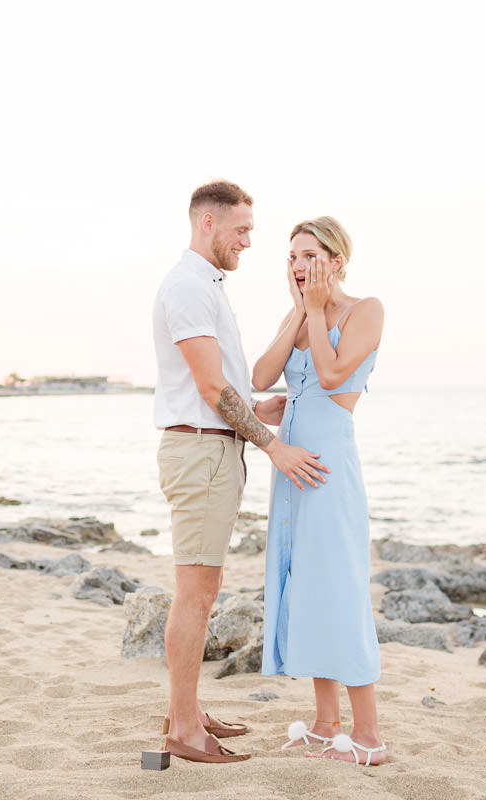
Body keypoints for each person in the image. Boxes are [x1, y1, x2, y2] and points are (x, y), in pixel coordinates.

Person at [152, 181, 330, 764]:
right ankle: (182, 728)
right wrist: (273, 445)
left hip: (215, 446)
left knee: (204, 589)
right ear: (208, 224)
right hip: (201, 452)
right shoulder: (186, 287)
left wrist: (257, 413)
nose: (249, 242)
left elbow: (222, 387)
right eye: (242, 230)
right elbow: (208, 387)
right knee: (196, 593)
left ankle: (188, 710)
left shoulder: (206, 285)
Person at [253, 216, 387, 766]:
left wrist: (312, 311)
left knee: (341, 590)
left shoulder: (367, 310)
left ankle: (370, 736)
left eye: (309, 255)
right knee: (306, 587)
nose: (299, 266)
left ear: (336, 260)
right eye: (292, 257)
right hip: (291, 475)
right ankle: (325, 723)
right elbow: (261, 378)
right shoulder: (297, 313)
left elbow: (331, 378)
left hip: (329, 471)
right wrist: (297, 311)